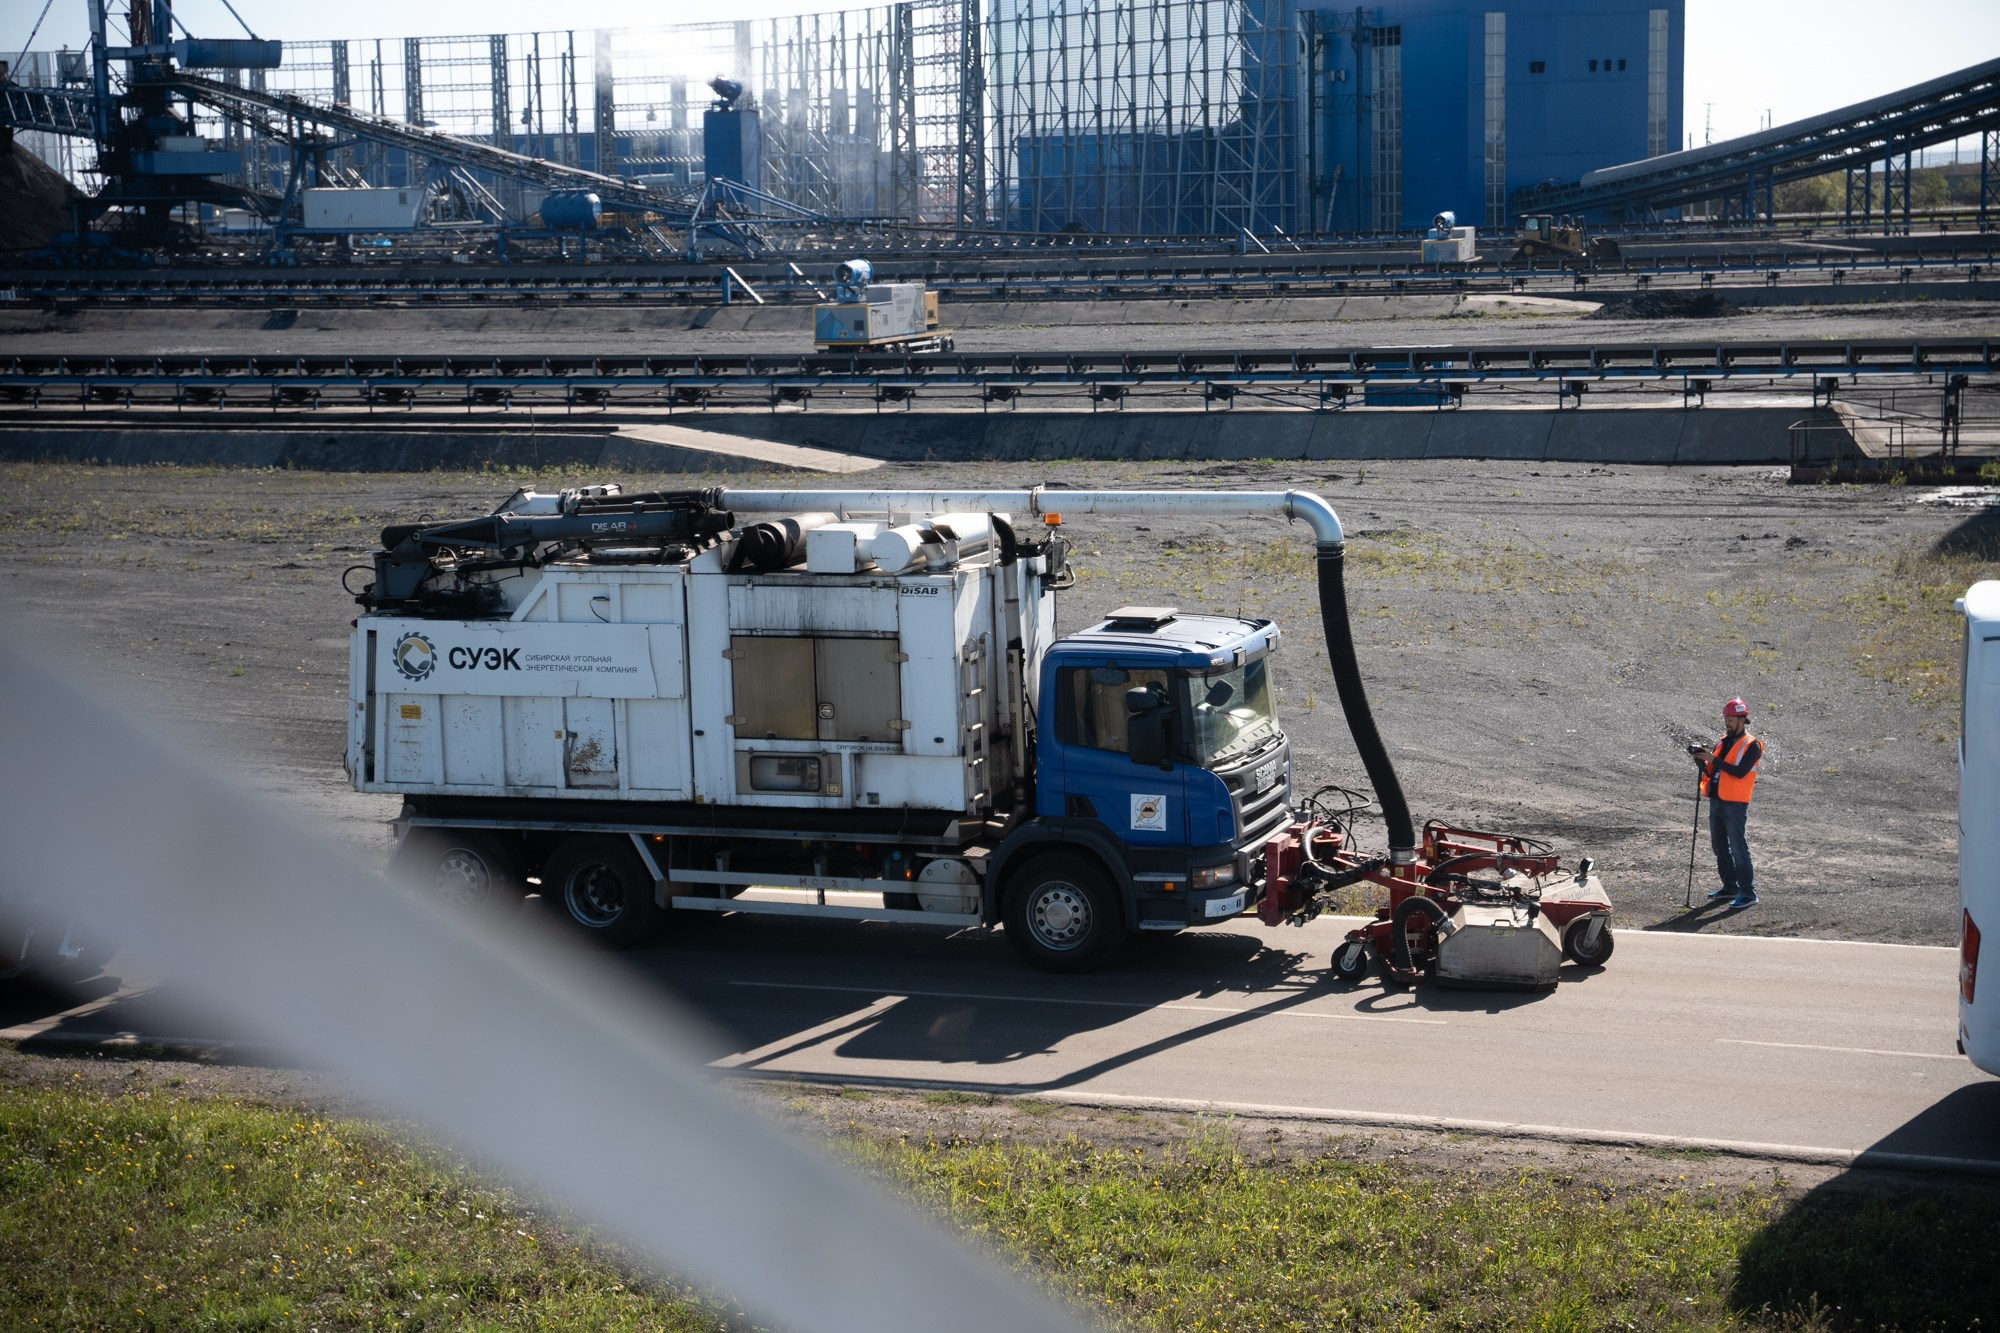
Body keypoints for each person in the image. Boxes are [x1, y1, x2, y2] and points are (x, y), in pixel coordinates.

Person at [1688, 698, 1763, 908]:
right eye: (1726, 719)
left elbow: (1739, 772)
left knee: (1739, 849)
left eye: (1731, 719)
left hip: (1736, 804)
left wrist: (1712, 759)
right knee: (1719, 846)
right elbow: (1714, 770)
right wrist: (1701, 760)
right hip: (1717, 799)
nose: (1727, 723)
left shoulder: (1752, 745)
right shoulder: (1723, 741)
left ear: (1742, 720)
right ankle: (1731, 887)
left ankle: (1748, 893)